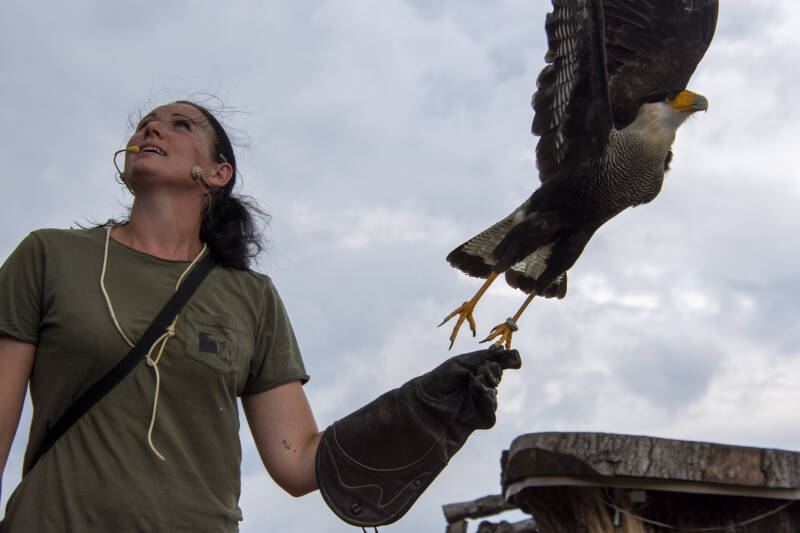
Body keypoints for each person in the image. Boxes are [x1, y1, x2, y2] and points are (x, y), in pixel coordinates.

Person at [0, 100, 520, 532]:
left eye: (181, 124)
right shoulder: (50, 257)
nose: (152, 127)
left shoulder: (251, 297)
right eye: (145, 124)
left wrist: (420, 407)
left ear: (219, 173)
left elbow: (296, 461)